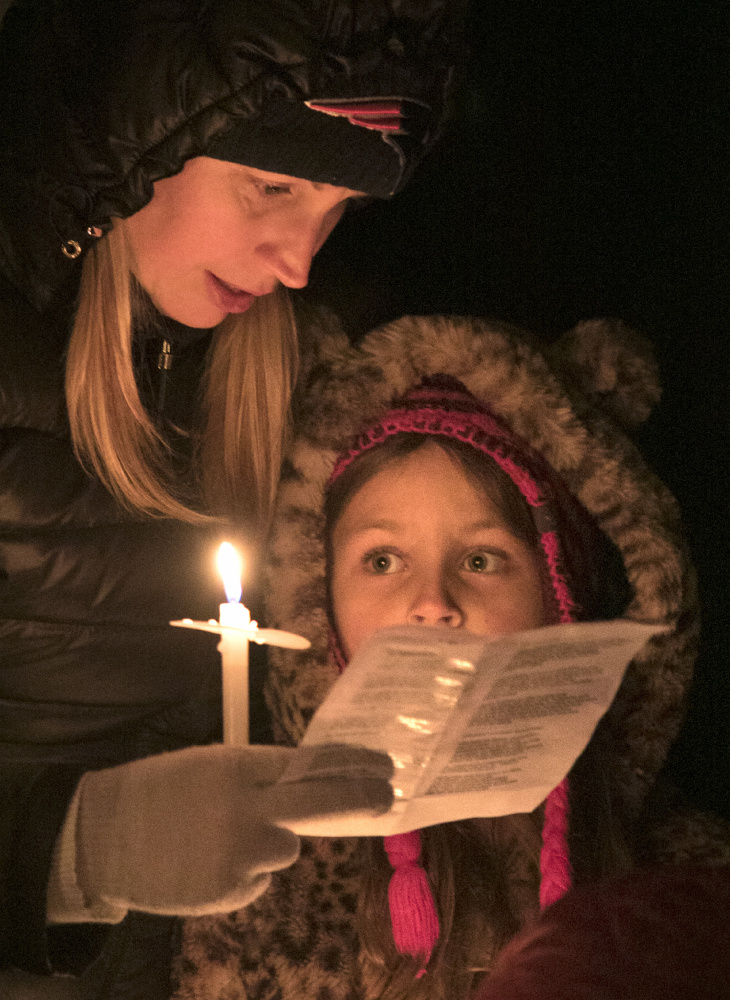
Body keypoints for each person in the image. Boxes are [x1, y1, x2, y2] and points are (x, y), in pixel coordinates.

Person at [0, 0, 466, 994]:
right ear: (130, 148)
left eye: (334, 211)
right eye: (270, 186)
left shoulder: (275, 372)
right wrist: (80, 848)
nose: (297, 259)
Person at [176, 314, 719, 999]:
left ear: (563, 596)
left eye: (482, 559)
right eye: (383, 560)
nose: (432, 602)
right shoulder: (246, 881)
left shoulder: (685, 894)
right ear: (316, 602)